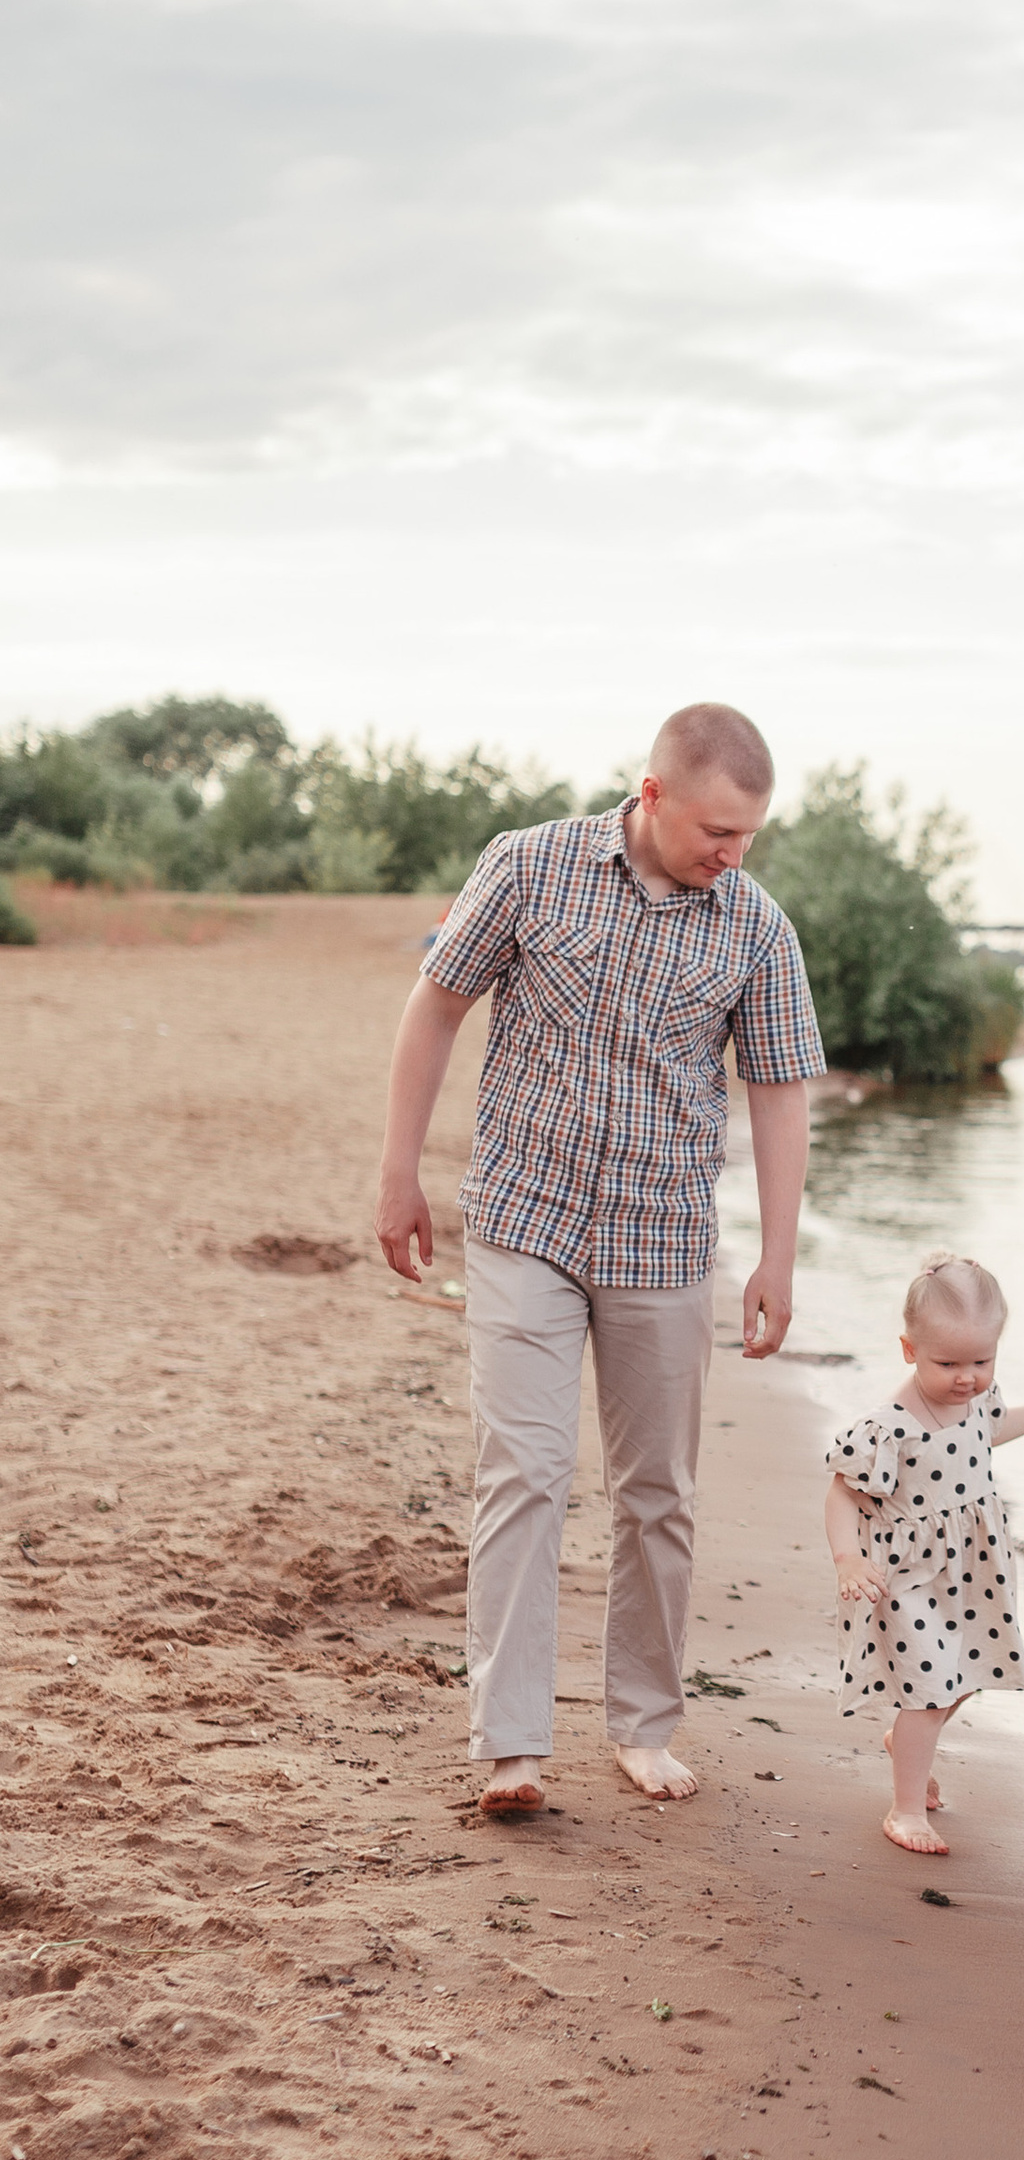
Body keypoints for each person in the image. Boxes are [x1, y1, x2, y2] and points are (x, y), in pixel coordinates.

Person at [373, 702, 827, 1817]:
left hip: (662, 1239)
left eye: (749, 835)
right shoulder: (528, 865)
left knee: (657, 1494)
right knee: (523, 1473)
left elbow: (779, 1094)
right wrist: (398, 1172)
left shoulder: (757, 926)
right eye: (716, 831)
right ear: (653, 794)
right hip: (523, 1219)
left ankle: (642, 1724)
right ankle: (511, 1747)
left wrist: (776, 1257)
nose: (733, 854)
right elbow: (436, 1008)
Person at [824, 1251, 1024, 1856]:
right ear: (909, 1350)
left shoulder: (975, 1398)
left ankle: (906, 1742)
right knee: (927, 1691)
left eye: (982, 1361)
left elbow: (990, 1429)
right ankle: (905, 1809)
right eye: (947, 1363)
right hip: (908, 1579)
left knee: (966, 1676)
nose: (967, 1377)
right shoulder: (888, 1428)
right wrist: (848, 1559)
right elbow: (842, 1495)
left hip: (973, 1571)